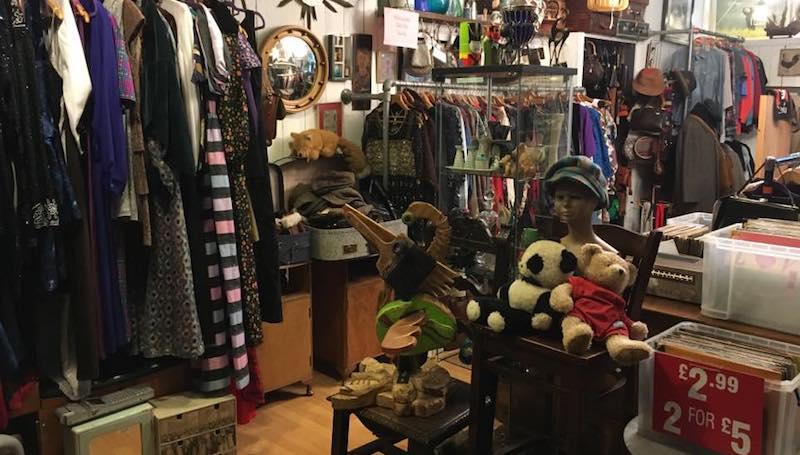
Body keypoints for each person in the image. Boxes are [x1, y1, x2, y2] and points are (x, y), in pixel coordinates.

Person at [543, 156, 616, 255]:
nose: (566, 204)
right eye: (560, 197)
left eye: (575, 197)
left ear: (594, 201)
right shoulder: (550, 251)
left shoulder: (607, 256)